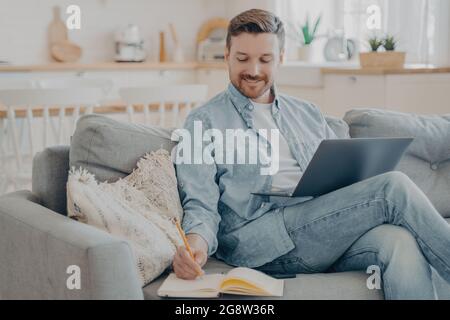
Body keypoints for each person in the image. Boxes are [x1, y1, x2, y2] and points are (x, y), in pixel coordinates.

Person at [172, 8, 450, 299]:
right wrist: (196, 246)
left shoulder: (306, 112)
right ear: (227, 55)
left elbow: (343, 177)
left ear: (280, 59)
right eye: (242, 58)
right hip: (264, 242)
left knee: (399, 242)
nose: (253, 70)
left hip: (323, 229)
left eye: (265, 59)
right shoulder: (203, 122)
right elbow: (200, 203)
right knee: (393, 187)